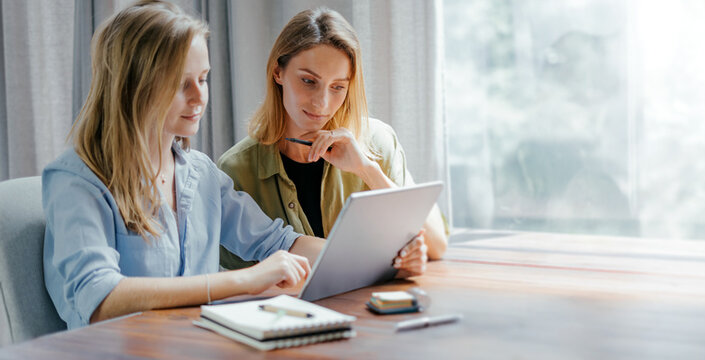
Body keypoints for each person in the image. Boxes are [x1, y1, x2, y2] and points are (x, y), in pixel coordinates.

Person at [42, 0, 324, 329]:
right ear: (133, 86)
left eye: (203, 79)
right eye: (180, 83)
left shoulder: (200, 173)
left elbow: (277, 242)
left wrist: (371, 260)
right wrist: (245, 280)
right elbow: (101, 300)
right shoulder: (77, 181)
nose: (199, 96)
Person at [217, 7, 448, 276]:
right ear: (277, 72)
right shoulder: (236, 169)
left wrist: (367, 169)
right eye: (308, 81)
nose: (322, 103)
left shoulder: (377, 143)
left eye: (338, 87)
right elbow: (240, 277)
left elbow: (436, 244)